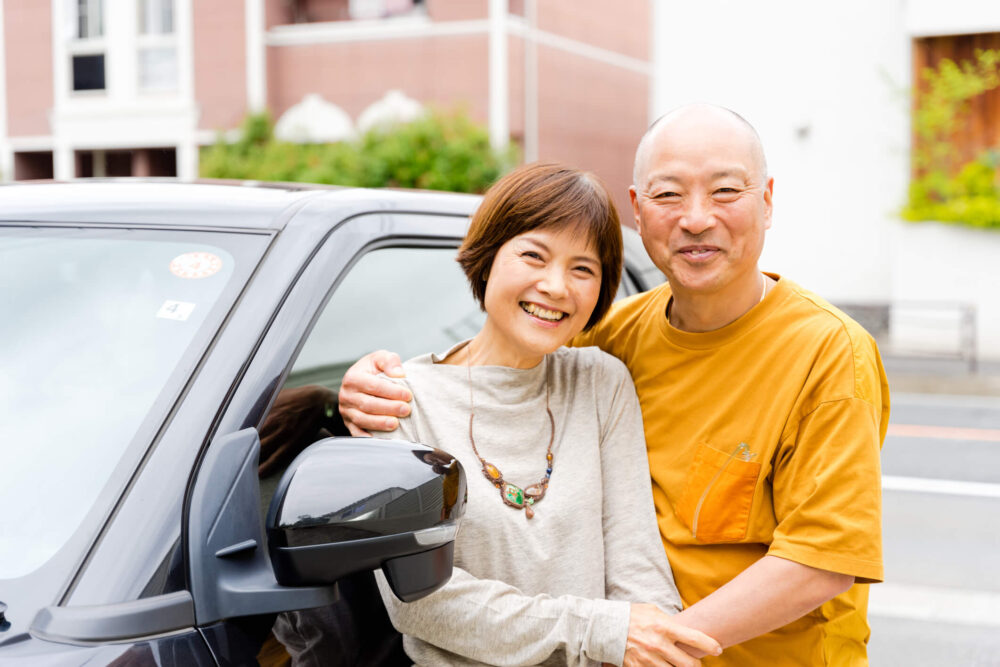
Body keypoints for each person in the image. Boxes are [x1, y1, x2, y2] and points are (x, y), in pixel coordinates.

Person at [339, 105, 890, 665]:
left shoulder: (829, 353)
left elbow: (821, 561)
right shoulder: (610, 338)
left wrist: (638, 642)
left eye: (725, 191)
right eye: (669, 195)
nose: (696, 218)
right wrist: (365, 383)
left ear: (767, 200)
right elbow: (512, 359)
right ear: (639, 210)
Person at [359, 162, 720, 666]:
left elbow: (638, 569)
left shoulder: (600, 381)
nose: (556, 286)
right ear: (487, 259)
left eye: (582, 269)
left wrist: (645, 640)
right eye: (534, 255)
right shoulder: (400, 402)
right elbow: (418, 600)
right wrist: (600, 630)